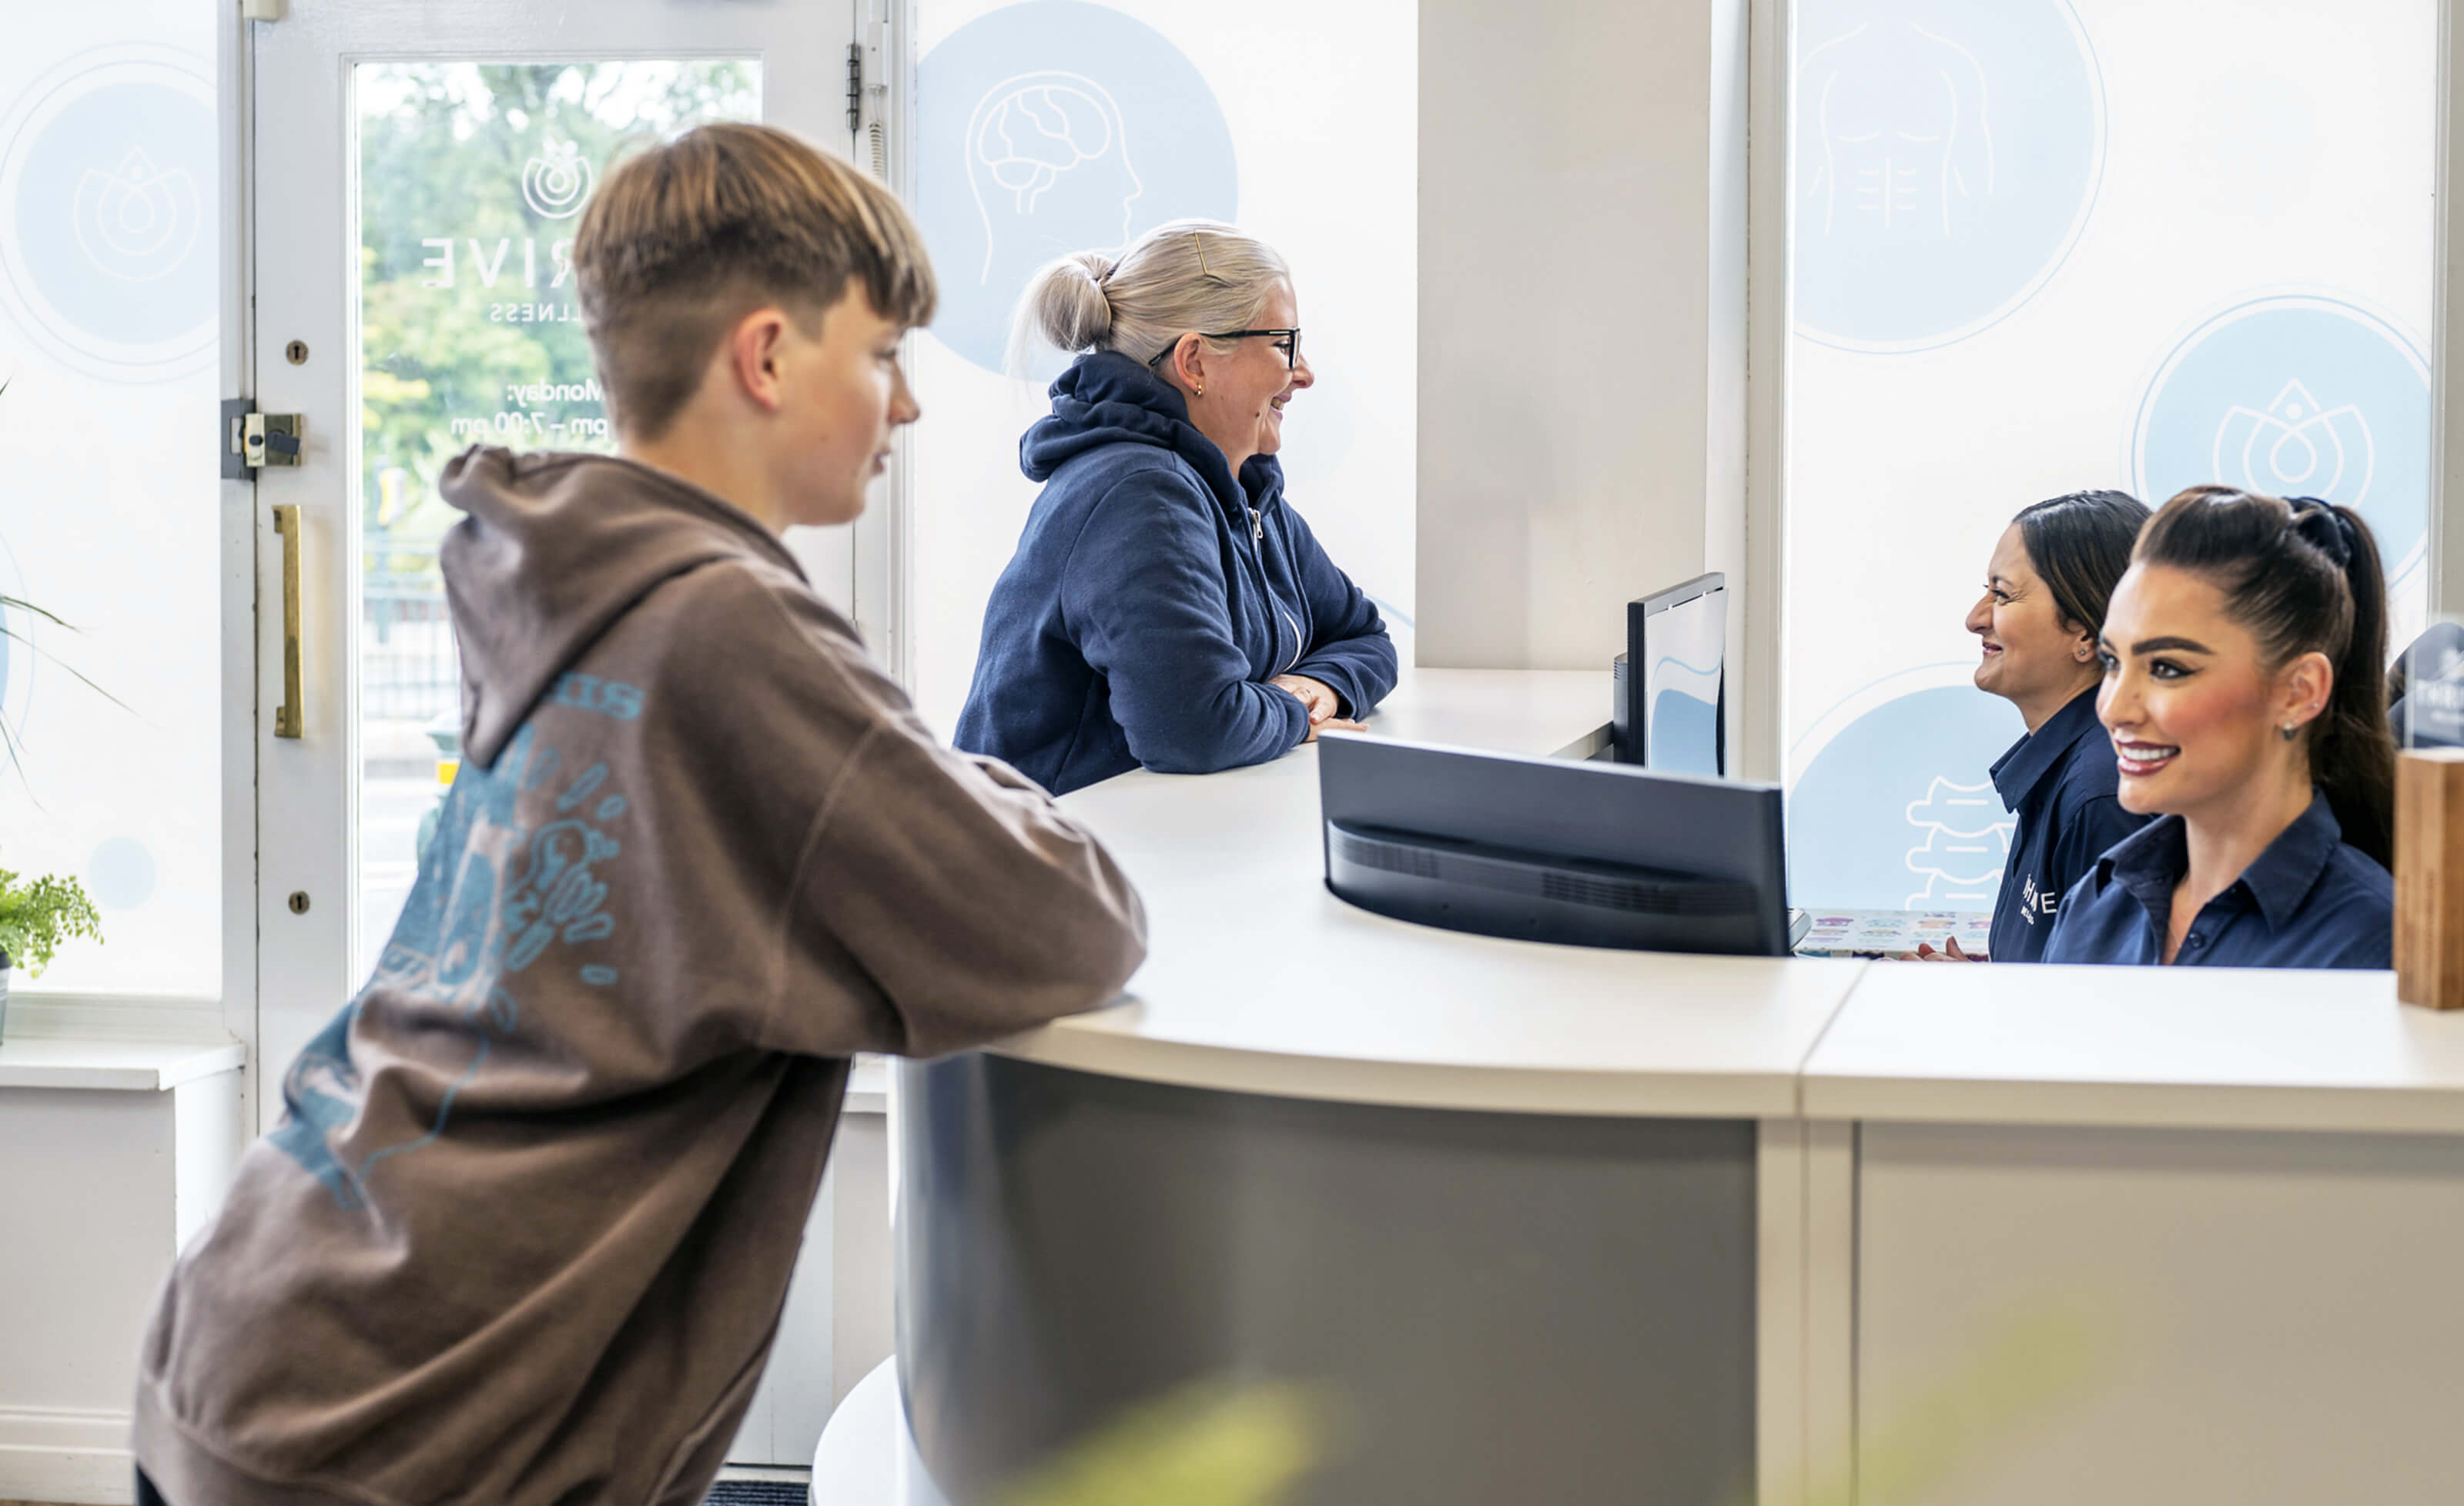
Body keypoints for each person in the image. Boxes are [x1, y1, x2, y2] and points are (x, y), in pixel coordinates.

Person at [130, 123, 1147, 1506]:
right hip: (406, 1430)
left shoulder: (565, 574)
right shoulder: (726, 628)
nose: (904, 407)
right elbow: (1066, 923)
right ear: (769, 356)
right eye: (884, 354)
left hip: (258, 1324)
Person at [952, 219, 1398, 795]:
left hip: (1149, 842)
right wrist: (1293, 712)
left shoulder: (1243, 490)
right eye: (1284, 344)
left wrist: (1318, 687)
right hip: (1042, 854)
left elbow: (1365, 639)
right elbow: (1194, 726)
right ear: (1194, 364)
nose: (1304, 373)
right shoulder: (1142, 494)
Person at [2044, 486, 2395, 969]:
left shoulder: (2375, 945)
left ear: (2299, 691)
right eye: (2112, 661)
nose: (2114, 707)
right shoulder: (2098, 904)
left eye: (2167, 668)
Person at [1921, 490, 2151, 962]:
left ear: (2087, 635)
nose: (1975, 618)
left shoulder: (2102, 794)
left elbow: (2110, 1020)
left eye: (2002, 595)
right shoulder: (2076, 768)